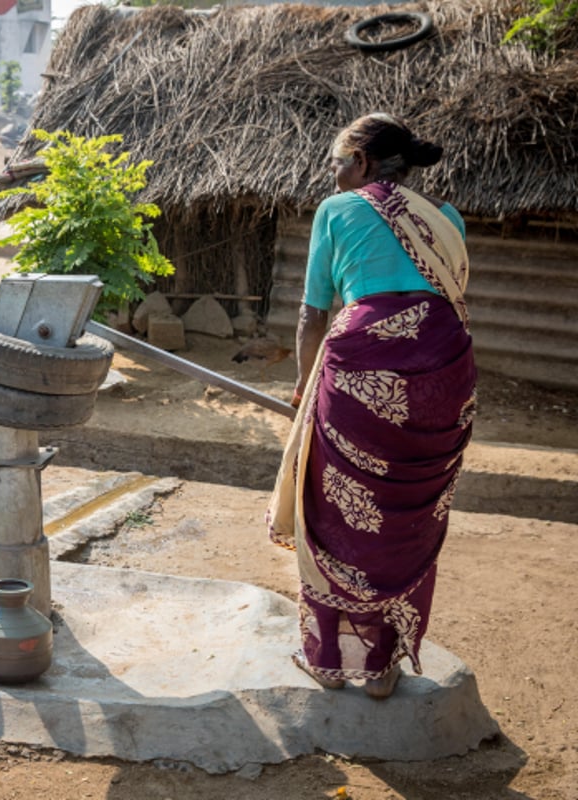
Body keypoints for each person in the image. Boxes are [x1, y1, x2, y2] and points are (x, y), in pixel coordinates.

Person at [267, 113, 476, 700]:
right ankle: (380, 666)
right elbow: (448, 301)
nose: (333, 174)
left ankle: (331, 659)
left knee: (335, 511)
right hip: (445, 374)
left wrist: (305, 386)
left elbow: (313, 311)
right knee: (408, 513)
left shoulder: (338, 210)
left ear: (359, 161)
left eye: (337, 162)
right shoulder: (447, 218)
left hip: (362, 368)